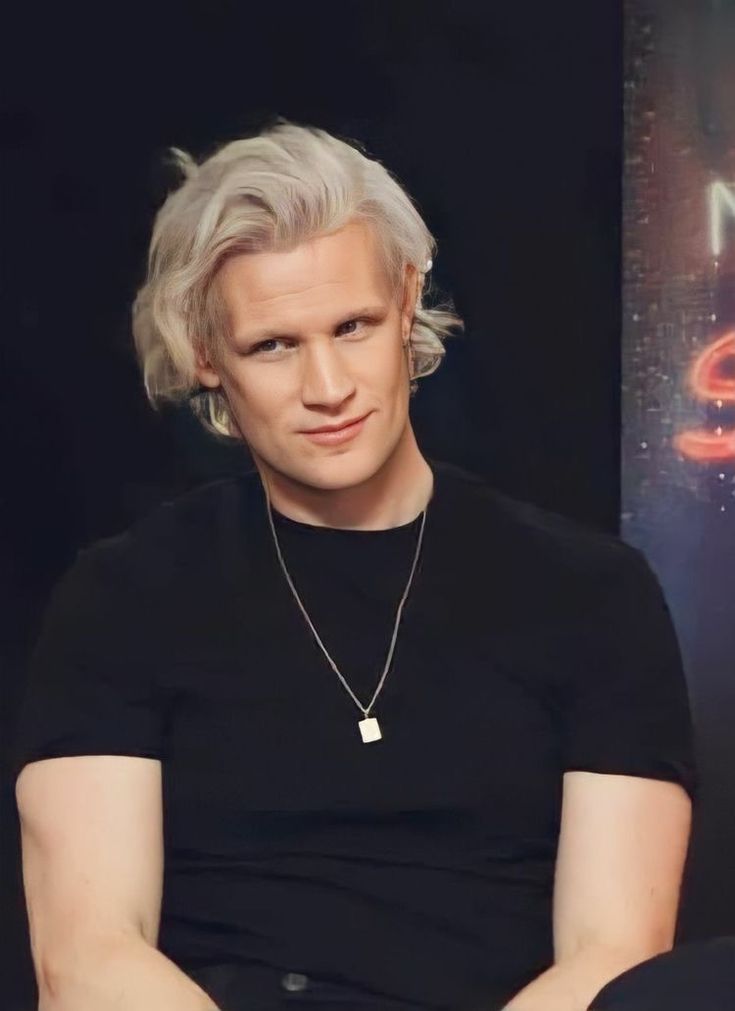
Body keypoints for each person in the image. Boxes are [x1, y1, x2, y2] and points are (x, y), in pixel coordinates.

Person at [13, 119, 700, 1011]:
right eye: (274, 345)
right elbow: (89, 958)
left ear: (407, 302)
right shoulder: (123, 597)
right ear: (205, 356)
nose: (328, 385)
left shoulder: (591, 594)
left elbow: (614, 956)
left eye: (353, 325)